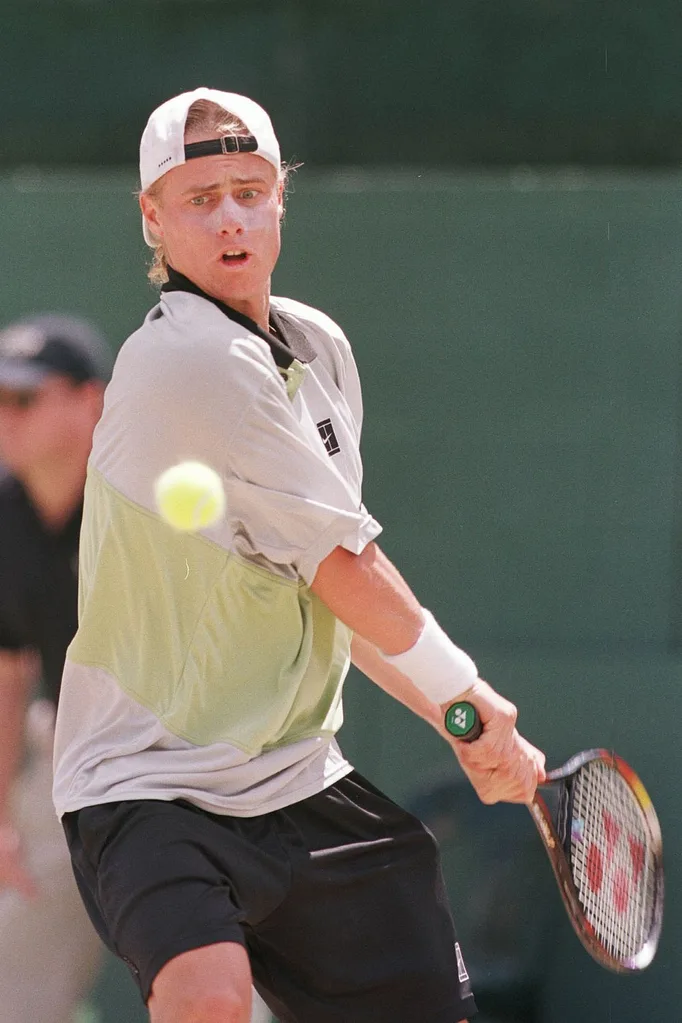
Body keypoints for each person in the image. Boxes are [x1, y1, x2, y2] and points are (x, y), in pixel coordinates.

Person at [53, 87, 546, 1023]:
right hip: (147, 780)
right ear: (153, 218)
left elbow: (329, 598)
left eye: (250, 189)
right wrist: (471, 699)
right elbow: (346, 571)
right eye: (201, 199)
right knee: (207, 997)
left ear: (282, 198)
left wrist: (460, 723)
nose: (231, 217)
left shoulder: (317, 347)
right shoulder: (187, 360)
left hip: (295, 775)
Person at [0, 314, 112, 1023]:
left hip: (202, 763)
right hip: (72, 760)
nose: (5, 417)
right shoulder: (4, 511)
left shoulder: (140, 502)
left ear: (89, 401)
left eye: (23, 398)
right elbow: (10, 670)